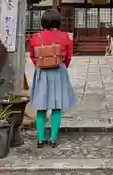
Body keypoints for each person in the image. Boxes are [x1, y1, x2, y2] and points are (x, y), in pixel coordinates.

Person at [28, 9, 77, 148]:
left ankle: (40, 139)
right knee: (57, 106)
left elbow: (32, 55)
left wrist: (40, 65)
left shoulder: (35, 37)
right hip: (58, 71)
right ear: (58, 21)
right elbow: (68, 55)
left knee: (41, 106)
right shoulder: (64, 36)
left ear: (43, 21)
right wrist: (63, 66)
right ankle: (53, 138)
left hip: (41, 72)